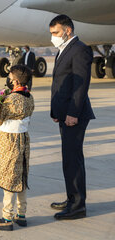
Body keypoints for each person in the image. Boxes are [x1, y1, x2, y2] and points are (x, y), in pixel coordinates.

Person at [49, 15, 95, 220]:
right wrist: (57, 112)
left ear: (67, 30)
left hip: (74, 115)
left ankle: (77, 206)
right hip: (65, 114)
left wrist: (72, 113)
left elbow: (80, 85)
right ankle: (71, 199)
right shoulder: (64, 49)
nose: (53, 37)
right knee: (68, 159)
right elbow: (62, 83)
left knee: (73, 160)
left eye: (56, 33)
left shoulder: (80, 49)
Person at [0, 65, 34, 231]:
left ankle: (6, 217)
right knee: (21, 176)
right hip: (23, 138)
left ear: (15, 80)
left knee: (9, 178)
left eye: (10, 76)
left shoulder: (12, 99)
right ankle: (21, 214)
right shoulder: (29, 96)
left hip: (10, 140)